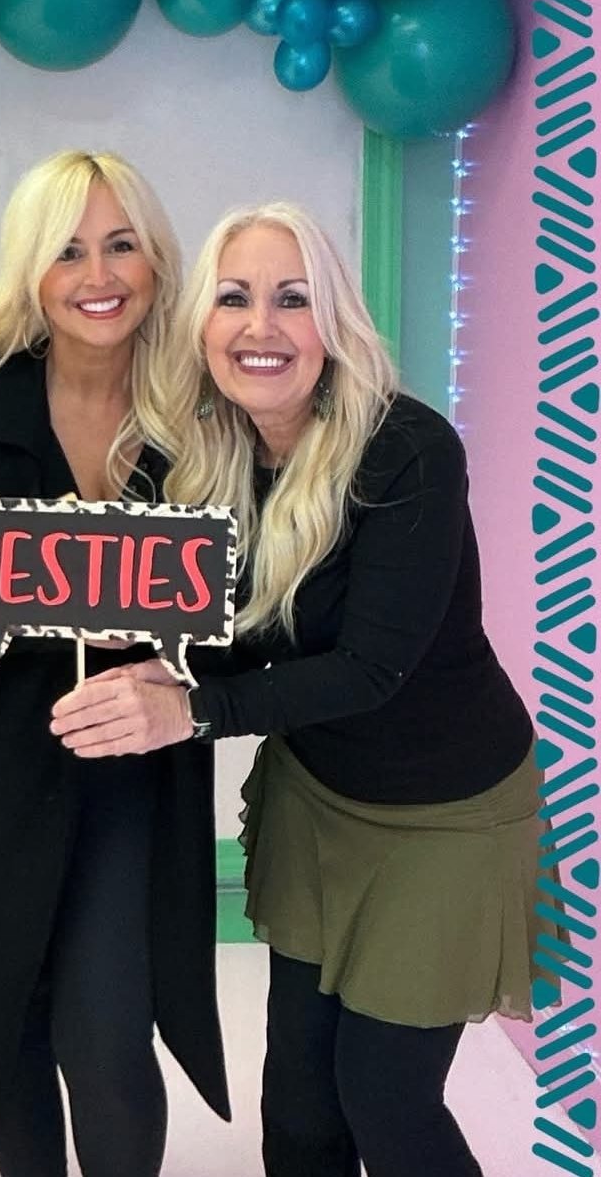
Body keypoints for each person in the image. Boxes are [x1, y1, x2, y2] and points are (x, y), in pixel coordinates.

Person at [51, 202, 546, 1177]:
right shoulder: (188, 455)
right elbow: (200, 628)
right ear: (202, 322)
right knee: (301, 1103)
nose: (260, 327)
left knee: (387, 1100)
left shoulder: (407, 449)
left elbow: (371, 668)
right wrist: (114, 616)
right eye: (234, 298)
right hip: (320, 802)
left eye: (292, 300)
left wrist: (187, 707)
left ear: (334, 322)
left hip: (447, 812)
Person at [0, 151, 230, 1177]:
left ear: (156, 259)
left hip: (130, 779)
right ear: (34, 274)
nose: (101, 274)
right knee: (2, 1035)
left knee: (108, 1037)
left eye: (123, 243)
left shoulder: (206, 420)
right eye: (71, 251)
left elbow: (246, 607)